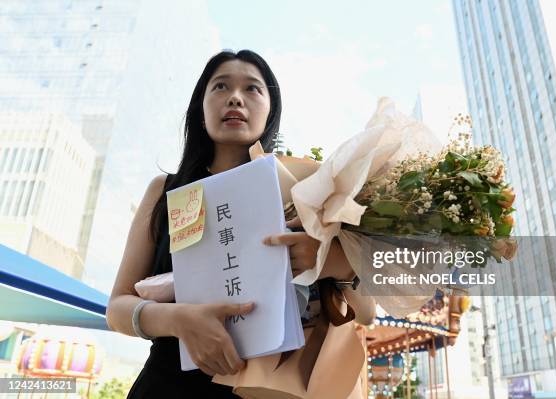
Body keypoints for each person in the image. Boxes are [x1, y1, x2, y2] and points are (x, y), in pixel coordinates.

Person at [106, 49, 373, 398]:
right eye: (220, 87)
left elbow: (366, 312)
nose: (235, 97)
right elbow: (116, 309)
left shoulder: (308, 192)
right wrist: (179, 320)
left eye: (252, 89)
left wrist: (326, 259)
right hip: (170, 386)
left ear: (270, 112)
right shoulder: (167, 191)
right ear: (200, 111)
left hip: (272, 388)